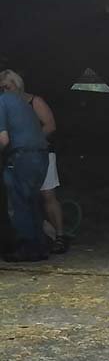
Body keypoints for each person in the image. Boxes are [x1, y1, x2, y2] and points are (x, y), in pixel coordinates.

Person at [0, 70, 66, 254]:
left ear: (17, 84)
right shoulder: (8, 104)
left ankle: (59, 236)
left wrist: (31, 141)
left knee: (47, 195)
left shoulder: (33, 101)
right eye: (2, 88)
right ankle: (43, 238)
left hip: (39, 152)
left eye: (7, 86)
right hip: (25, 153)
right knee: (29, 199)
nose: (5, 90)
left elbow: (50, 125)